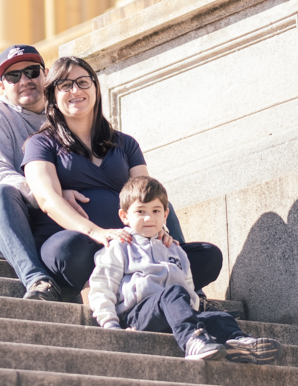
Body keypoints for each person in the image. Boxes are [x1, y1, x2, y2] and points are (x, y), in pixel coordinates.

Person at [22, 55, 222, 293]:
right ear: (53, 95)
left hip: (130, 245)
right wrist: (97, 232)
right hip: (77, 243)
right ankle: (142, 283)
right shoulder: (41, 144)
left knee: (208, 255)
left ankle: (137, 281)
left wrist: (159, 231)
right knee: (68, 250)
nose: (75, 90)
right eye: (65, 85)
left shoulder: (126, 144)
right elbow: (47, 200)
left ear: (96, 88)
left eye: (83, 82)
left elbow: (147, 194)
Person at [88, 176, 280, 364]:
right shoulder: (120, 246)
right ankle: (191, 341)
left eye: (156, 211)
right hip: (136, 315)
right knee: (173, 293)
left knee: (219, 316)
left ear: (165, 215)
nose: (149, 218)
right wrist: (111, 324)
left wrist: (193, 311)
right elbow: (101, 287)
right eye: (140, 211)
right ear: (124, 216)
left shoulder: (175, 249)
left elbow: (188, 287)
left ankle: (237, 342)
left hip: (173, 313)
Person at [0, 44, 77, 301]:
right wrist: (53, 197)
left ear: (45, 74)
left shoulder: (66, 110)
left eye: (31, 71)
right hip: (7, 222)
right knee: (1, 192)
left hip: (55, 221)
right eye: (13, 76)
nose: (25, 81)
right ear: (2, 85)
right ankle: (37, 280)